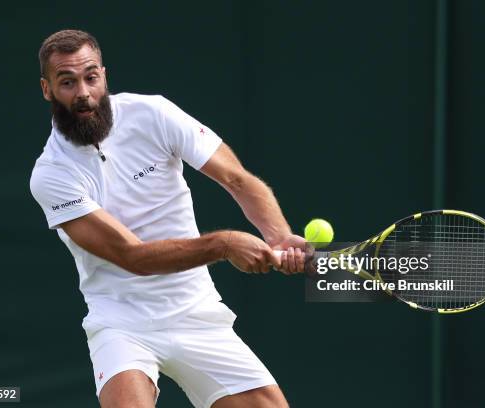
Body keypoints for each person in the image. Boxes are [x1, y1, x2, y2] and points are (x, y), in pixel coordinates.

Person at [29, 29, 306, 408]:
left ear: (104, 75)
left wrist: (280, 237)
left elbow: (237, 179)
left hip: (195, 311)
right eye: (67, 82)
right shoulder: (52, 175)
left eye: (91, 77)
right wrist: (225, 244)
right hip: (121, 322)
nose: (83, 93)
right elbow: (134, 257)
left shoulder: (153, 113)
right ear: (47, 89)